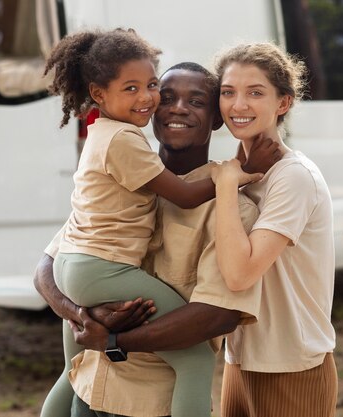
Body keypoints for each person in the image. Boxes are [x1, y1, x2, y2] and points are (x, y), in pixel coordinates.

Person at [35, 61, 280, 416]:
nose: (178, 108)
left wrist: (114, 340)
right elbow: (49, 264)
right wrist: (82, 314)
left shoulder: (230, 209)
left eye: (196, 101)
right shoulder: (122, 174)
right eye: (166, 97)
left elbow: (218, 316)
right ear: (152, 108)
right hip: (89, 389)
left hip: (152, 405)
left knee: (194, 361)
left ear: (216, 118)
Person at [210, 42, 338, 417]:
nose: (239, 105)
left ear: (283, 103)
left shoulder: (293, 177)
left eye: (255, 92)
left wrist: (225, 182)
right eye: (228, 92)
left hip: (292, 368)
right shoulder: (239, 173)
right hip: (242, 360)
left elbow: (239, 274)